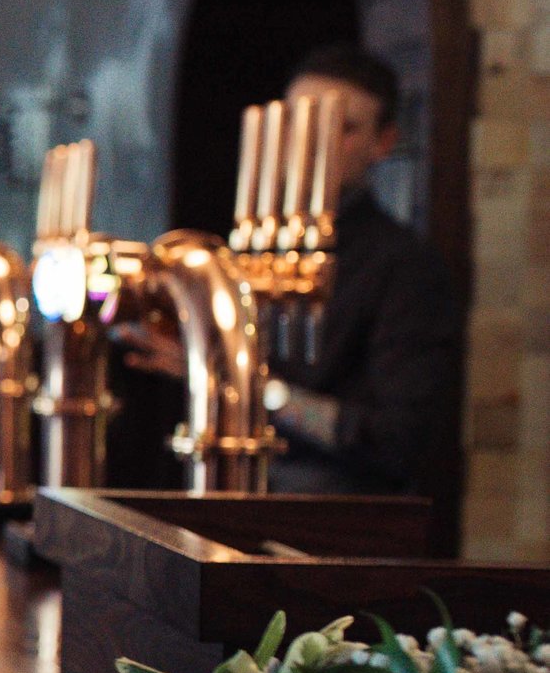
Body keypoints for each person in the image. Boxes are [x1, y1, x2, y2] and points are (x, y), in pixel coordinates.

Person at [121, 43, 464, 502]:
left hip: (331, 522)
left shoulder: (404, 265)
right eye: (295, 122)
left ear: (383, 143)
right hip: (221, 490)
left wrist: (242, 384)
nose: (309, 143)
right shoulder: (246, 244)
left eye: (338, 128)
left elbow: (398, 440)